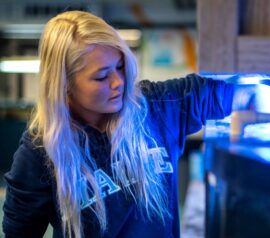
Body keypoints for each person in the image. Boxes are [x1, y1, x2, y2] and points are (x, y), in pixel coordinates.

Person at [2, 10, 235, 238]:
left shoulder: (157, 107)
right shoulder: (41, 150)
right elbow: (19, 232)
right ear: (65, 84)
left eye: (121, 66)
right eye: (102, 76)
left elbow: (227, 93)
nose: (119, 82)